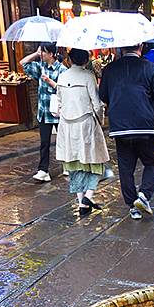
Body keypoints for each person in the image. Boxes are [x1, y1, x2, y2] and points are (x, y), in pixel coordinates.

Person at [99, 43, 154, 220]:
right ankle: (144, 195)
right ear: (141, 46)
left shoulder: (110, 69)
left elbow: (103, 96)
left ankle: (133, 206)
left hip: (120, 126)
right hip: (146, 125)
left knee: (125, 167)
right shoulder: (150, 68)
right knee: (152, 163)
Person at [55, 49, 109, 217]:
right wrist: (101, 120)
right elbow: (96, 103)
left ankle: (81, 203)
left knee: (74, 163)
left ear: (69, 60)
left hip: (67, 125)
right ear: (86, 60)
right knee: (95, 161)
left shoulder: (62, 76)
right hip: (86, 123)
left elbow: (59, 101)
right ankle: (88, 197)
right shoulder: (88, 76)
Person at [20, 43, 67, 182]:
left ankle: (67, 166)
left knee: (63, 140)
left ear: (51, 54)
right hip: (44, 111)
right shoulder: (40, 66)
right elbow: (23, 63)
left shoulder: (62, 69)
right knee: (44, 142)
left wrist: (50, 81)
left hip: (58, 111)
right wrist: (36, 53)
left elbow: (64, 89)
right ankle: (43, 170)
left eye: (44, 52)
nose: (42, 55)